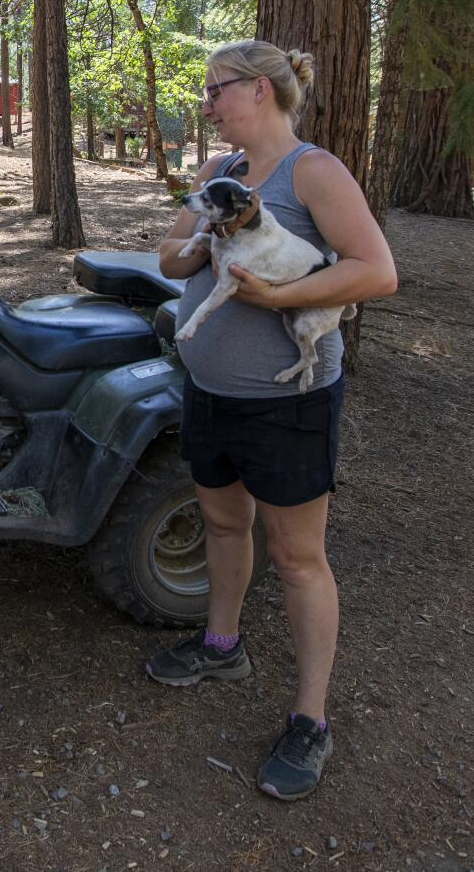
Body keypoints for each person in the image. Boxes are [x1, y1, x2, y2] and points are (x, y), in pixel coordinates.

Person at [144, 39, 397, 801]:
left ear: (258, 90)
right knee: (223, 523)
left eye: (217, 90)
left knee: (297, 557)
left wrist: (277, 299)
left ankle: (310, 718)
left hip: (290, 403)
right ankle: (223, 644)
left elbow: (375, 270)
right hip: (212, 389)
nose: (208, 103)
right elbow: (167, 258)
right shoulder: (218, 174)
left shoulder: (312, 171)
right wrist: (195, 244)